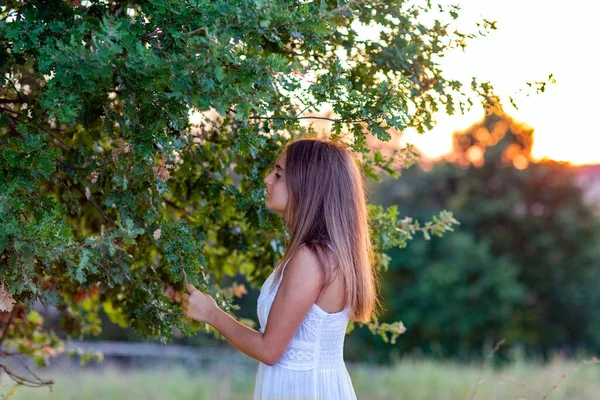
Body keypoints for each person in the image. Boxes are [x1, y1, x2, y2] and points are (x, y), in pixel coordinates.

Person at [182, 137, 382, 399]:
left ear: (307, 185)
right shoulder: (322, 254)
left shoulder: (311, 258)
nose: (267, 179)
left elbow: (270, 350)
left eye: (278, 174)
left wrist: (212, 314)